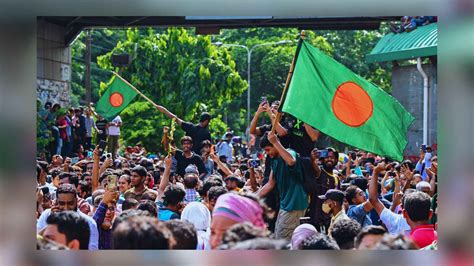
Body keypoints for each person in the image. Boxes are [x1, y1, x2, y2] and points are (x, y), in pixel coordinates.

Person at [257, 131, 308, 240]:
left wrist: (275, 141)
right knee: (278, 237)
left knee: (282, 242)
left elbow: (291, 161)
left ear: (275, 144)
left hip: (294, 204)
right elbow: (270, 184)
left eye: (268, 150)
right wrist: (252, 197)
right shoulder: (274, 161)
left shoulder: (289, 153)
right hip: (285, 205)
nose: (267, 153)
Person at [37, 184, 99, 250]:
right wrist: (53, 222)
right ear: (56, 201)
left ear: (76, 201)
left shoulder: (89, 222)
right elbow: (37, 241)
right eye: (62, 203)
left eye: (70, 203)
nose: (66, 208)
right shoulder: (46, 215)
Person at [369, 162, 412, 236]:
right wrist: (407, 181)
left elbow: (373, 199)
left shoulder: (396, 221)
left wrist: (375, 172)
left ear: (403, 209)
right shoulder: (429, 225)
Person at [310, 147, 339, 232]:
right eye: (327, 157)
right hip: (318, 219)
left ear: (336, 160)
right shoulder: (320, 172)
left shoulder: (336, 177)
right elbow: (313, 165)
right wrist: (312, 159)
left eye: (332, 157)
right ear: (322, 159)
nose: (329, 159)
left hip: (332, 218)